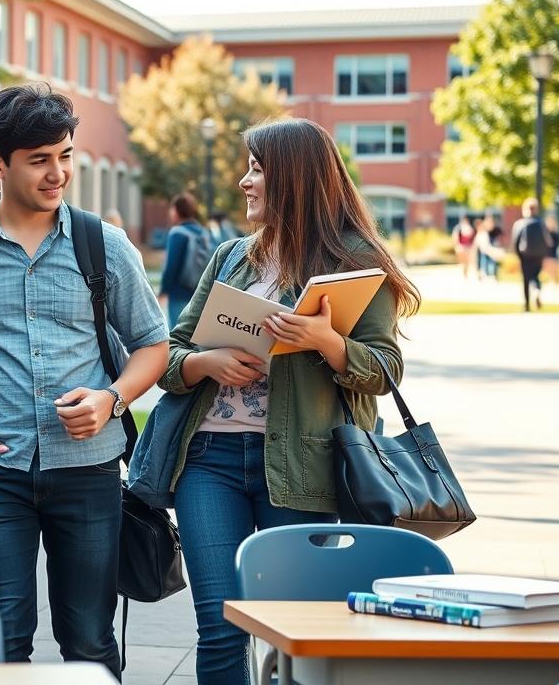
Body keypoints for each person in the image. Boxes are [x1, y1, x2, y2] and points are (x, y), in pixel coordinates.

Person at [0, 84, 168, 679]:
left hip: (88, 470)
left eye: (66, 155)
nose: (59, 174)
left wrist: (111, 398)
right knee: (1, 639)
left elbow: (153, 346)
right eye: (40, 159)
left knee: (90, 639)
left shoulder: (102, 245)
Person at [161, 118, 418, 685]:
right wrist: (207, 363)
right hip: (208, 462)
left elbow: (386, 371)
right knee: (221, 623)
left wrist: (327, 342)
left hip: (302, 469)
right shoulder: (230, 256)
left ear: (295, 180)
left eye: (257, 170)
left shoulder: (354, 262)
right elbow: (172, 352)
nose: (244, 182)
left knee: (291, 628)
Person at [160, 192, 210, 328]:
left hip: (178, 292)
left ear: (176, 211)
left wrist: (163, 291)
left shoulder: (177, 233)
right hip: (199, 292)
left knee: (177, 335)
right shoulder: (203, 232)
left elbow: (171, 267)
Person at [511, 198, 549, 312]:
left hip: (525, 255)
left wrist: (517, 255)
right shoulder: (541, 223)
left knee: (526, 279)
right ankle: (536, 289)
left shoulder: (520, 223)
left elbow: (515, 241)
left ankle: (527, 305)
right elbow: (548, 240)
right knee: (536, 276)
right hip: (539, 255)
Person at [452, 215, 476, 280]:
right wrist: (457, 246)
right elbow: (455, 238)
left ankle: (465, 274)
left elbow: (472, 238)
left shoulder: (470, 228)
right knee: (462, 261)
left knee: (467, 262)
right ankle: (462, 273)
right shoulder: (458, 228)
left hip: (467, 247)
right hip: (461, 247)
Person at [542, 215, 559, 288]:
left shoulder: (556, 234)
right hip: (546, 254)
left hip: (553, 254)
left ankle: (554, 282)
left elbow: (556, 244)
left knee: (554, 268)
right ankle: (550, 281)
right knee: (547, 269)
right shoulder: (545, 233)